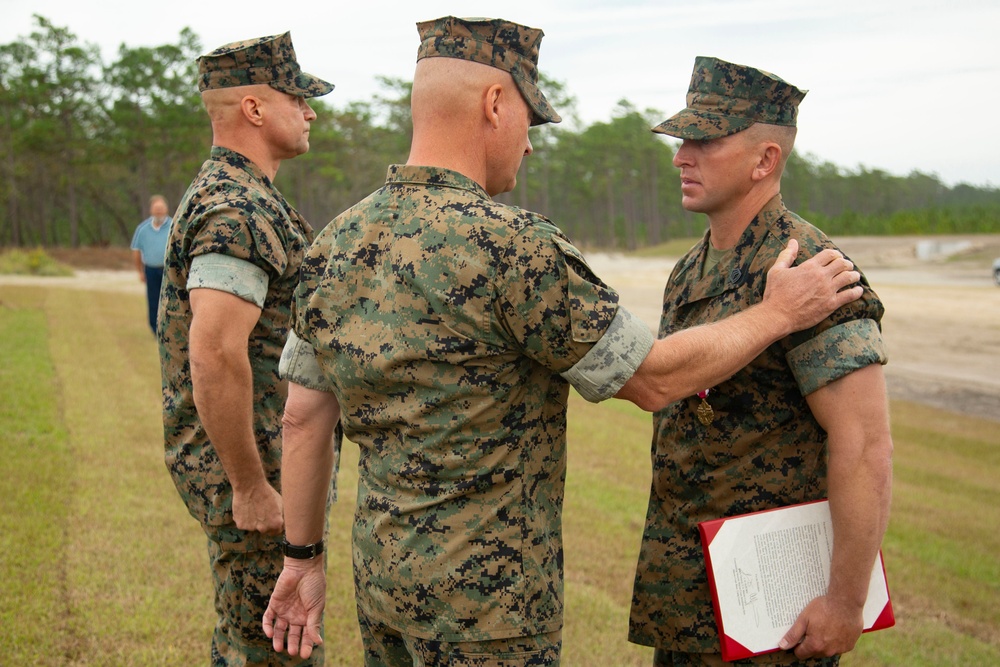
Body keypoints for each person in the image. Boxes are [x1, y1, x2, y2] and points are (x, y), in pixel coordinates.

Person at [262, 19, 862, 666]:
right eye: (528, 119)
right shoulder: (513, 248)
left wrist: (302, 557)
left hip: (383, 593)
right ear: (495, 105)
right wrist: (775, 314)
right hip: (492, 614)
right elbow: (653, 378)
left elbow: (301, 419)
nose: (528, 146)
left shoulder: (335, 242)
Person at [628, 57, 894, 666]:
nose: (681, 157)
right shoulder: (690, 270)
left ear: (765, 159)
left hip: (775, 614)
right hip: (691, 596)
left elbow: (864, 443)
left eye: (704, 140)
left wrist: (846, 602)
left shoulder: (813, 271)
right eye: (681, 140)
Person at [157, 32, 335, 666]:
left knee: (252, 640)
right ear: (255, 109)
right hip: (262, 478)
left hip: (270, 466)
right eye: (298, 97)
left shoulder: (245, 196)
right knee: (274, 650)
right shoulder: (235, 208)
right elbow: (214, 353)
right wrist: (250, 484)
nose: (310, 110)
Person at [130, 194, 172, 333]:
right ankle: (155, 329)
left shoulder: (174, 226)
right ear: (151, 210)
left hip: (169, 270)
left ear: (166, 209)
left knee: (169, 300)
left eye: (161, 208)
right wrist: (140, 271)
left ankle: (169, 329)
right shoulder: (143, 229)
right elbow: (136, 250)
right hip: (151, 269)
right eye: (156, 208)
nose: (159, 211)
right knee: (153, 300)